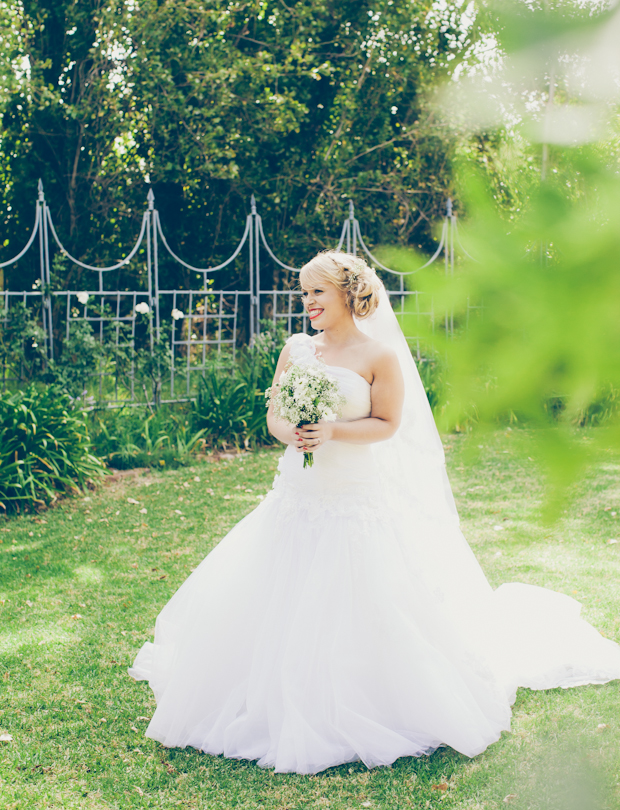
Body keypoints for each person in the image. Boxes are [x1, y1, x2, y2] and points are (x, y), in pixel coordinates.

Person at [129, 250, 620, 775]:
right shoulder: (297, 349)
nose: (308, 302)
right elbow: (274, 413)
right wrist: (292, 434)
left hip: (354, 499)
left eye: (316, 291)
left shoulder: (378, 356)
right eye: (303, 293)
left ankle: (359, 697)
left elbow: (386, 424)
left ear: (346, 292)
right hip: (297, 495)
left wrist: (333, 430)